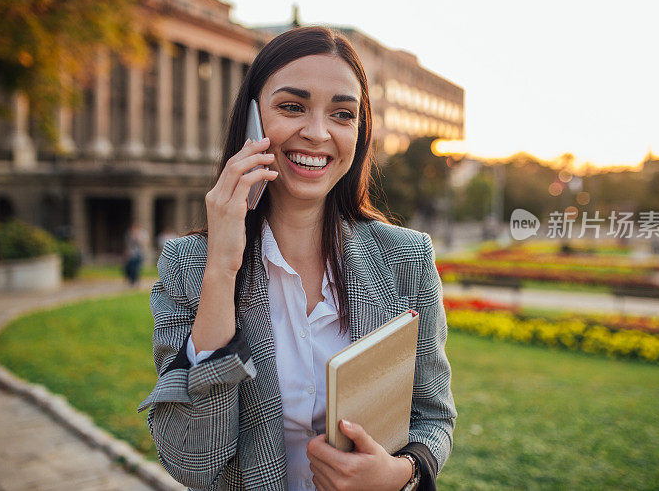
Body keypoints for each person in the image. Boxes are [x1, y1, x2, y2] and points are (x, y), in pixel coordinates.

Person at [138, 26, 457, 491]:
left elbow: (433, 417)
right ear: (251, 119)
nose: (317, 133)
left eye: (342, 114)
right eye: (292, 107)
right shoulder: (188, 266)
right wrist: (223, 268)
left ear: (359, 131)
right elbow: (193, 462)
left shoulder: (407, 259)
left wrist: (397, 473)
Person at [124, 222, 147, 286]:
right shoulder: (129, 234)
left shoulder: (142, 234)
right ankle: (130, 280)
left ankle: (135, 281)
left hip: (139, 254)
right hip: (130, 254)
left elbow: (144, 244)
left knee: (136, 268)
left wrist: (136, 238)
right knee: (129, 268)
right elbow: (127, 244)